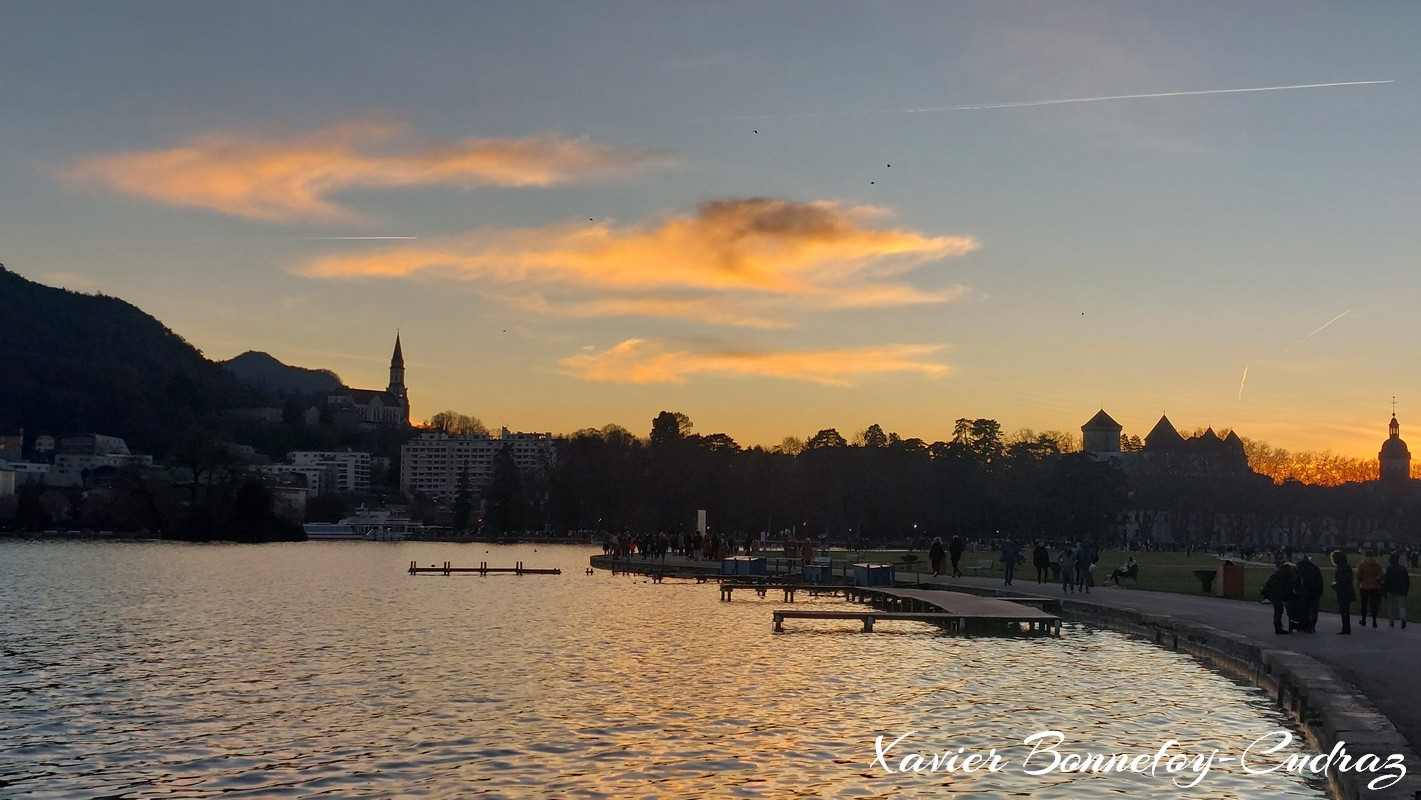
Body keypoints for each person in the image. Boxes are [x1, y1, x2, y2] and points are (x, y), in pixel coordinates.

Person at [1260, 559, 1297, 635]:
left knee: (1279, 610)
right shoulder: (1285, 576)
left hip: (1273, 593)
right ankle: (1278, 628)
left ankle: (1279, 627)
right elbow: (1286, 588)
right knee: (1279, 610)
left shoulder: (1277, 574)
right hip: (1275, 593)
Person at [1355, 551, 1384, 628]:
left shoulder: (1362, 564)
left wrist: (1362, 580)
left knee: (1364, 604)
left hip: (1364, 586)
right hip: (1374, 587)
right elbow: (1381, 575)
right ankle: (1374, 621)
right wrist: (1377, 580)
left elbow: (1358, 576)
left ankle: (1363, 620)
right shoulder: (1376, 565)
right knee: (1373, 604)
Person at [1295, 554, 1323, 633]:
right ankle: (1311, 626)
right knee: (1313, 610)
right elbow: (1320, 581)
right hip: (1314, 591)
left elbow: (1296, 580)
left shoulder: (1300, 568)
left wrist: (1297, 590)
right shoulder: (1314, 568)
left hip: (1305, 591)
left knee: (1305, 609)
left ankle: (1305, 625)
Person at [1383, 551, 1410, 629]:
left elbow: (1386, 580)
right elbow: (1407, 580)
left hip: (1391, 590)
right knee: (1401, 606)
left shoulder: (1389, 569)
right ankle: (1403, 618)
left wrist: (1385, 588)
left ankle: (1391, 621)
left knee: (1391, 606)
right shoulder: (1403, 569)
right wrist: (1406, 590)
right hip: (1401, 589)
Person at [1331, 550, 1355, 635]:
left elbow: (1341, 580)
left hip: (1343, 591)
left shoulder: (1341, 567)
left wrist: (1335, 585)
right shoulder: (1346, 566)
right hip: (1347, 590)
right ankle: (1346, 627)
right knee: (1345, 610)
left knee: (1344, 610)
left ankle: (1346, 627)